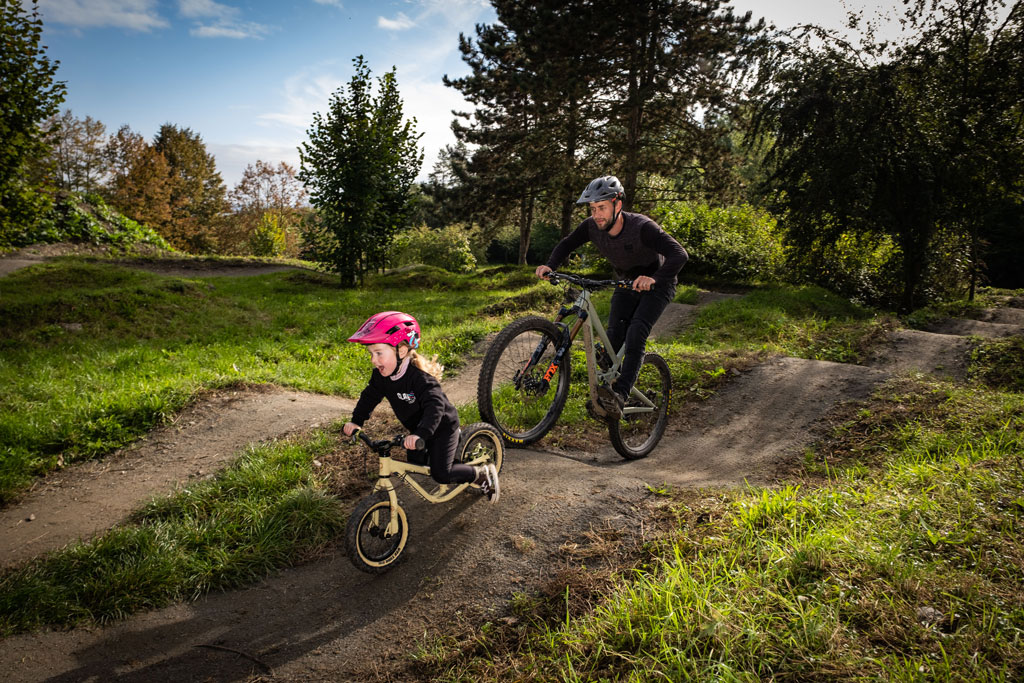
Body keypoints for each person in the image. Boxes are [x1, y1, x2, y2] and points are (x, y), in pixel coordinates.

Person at [535, 175, 687, 419]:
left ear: (618, 204)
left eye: (602, 208)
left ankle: (621, 394)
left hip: (659, 284)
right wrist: (550, 265)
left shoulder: (642, 227)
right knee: (613, 335)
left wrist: (654, 279)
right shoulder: (591, 226)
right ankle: (606, 397)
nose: (597, 215)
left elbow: (679, 254)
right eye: (593, 209)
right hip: (626, 283)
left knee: (636, 331)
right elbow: (567, 244)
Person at [342, 311, 499, 503]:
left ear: (401, 351)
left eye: (379, 353)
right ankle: (450, 457)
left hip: (441, 427)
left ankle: (479, 473)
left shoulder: (420, 379)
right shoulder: (380, 377)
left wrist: (420, 434)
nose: (374, 360)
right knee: (415, 463)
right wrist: (356, 421)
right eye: (371, 354)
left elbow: (435, 407)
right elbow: (369, 397)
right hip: (418, 430)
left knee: (441, 473)